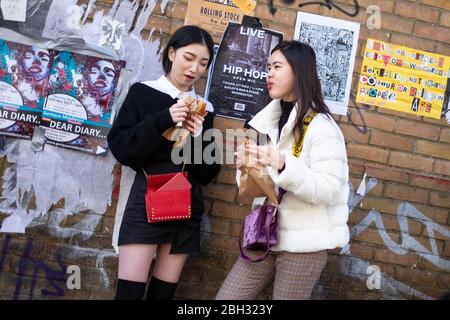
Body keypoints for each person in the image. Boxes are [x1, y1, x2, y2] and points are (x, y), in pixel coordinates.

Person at [216, 41, 349, 300]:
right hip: (263, 235)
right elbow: (260, 190)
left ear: (299, 72)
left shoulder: (323, 127)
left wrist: (283, 164)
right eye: (268, 67)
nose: (269, 74)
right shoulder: (267, 122)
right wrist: (247, 169)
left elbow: (329, 190)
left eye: (277, 66)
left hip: (304, 246)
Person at [107, 25, 221, 300]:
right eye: (188, 57)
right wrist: (164, 120)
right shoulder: (143, 93)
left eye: (203, 63)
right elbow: (123, 148)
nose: (194, 68)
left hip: (186, 203)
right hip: (147, 198)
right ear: (172, 52)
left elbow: (207, 173)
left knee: (163, 295)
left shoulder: (205, 108)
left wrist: (197, 139)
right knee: (129, 294)